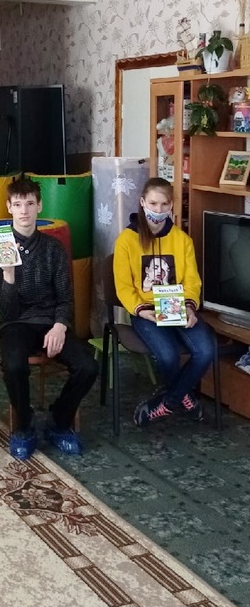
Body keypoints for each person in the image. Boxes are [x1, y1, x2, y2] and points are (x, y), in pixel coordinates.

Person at [0, 177, 98, 461]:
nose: (24, 210)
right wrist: (9, 275)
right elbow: (7, 312)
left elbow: (65, 298)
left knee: (88, 365)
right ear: (9, 208)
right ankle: (24, 426)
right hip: (16, 324)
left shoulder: (53, 248)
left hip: (50, 321)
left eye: (29, 203)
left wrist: (60, 326)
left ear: (39, 206)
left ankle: (58, 421)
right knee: (14, 364)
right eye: (17, 204)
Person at [113, 177, 215, 426]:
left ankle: (166, 403)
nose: (158, 210)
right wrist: (140, 310)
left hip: (177, 306)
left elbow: (192, 281)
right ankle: (185, 397)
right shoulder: (126, 240)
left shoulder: (182, 240)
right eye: (153, 203)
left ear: (172, 205)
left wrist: (189, 307)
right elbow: (123, 286)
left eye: (164, 204)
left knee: (206, 350)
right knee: (168, 356)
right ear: (142, 202)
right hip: (145, 311)